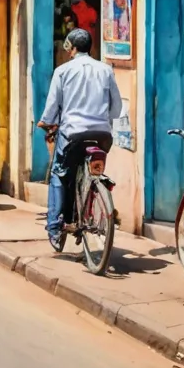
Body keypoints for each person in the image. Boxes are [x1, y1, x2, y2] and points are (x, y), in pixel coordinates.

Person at [37, 28, 123, 250]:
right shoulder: (106, 70)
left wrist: (46, 121)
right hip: (102, 135)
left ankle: (55, 226)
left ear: (72, 48)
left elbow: (52, 105)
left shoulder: (63, 71)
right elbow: (116, 108)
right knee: (91, 169)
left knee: (59, 173)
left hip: (72, 134)